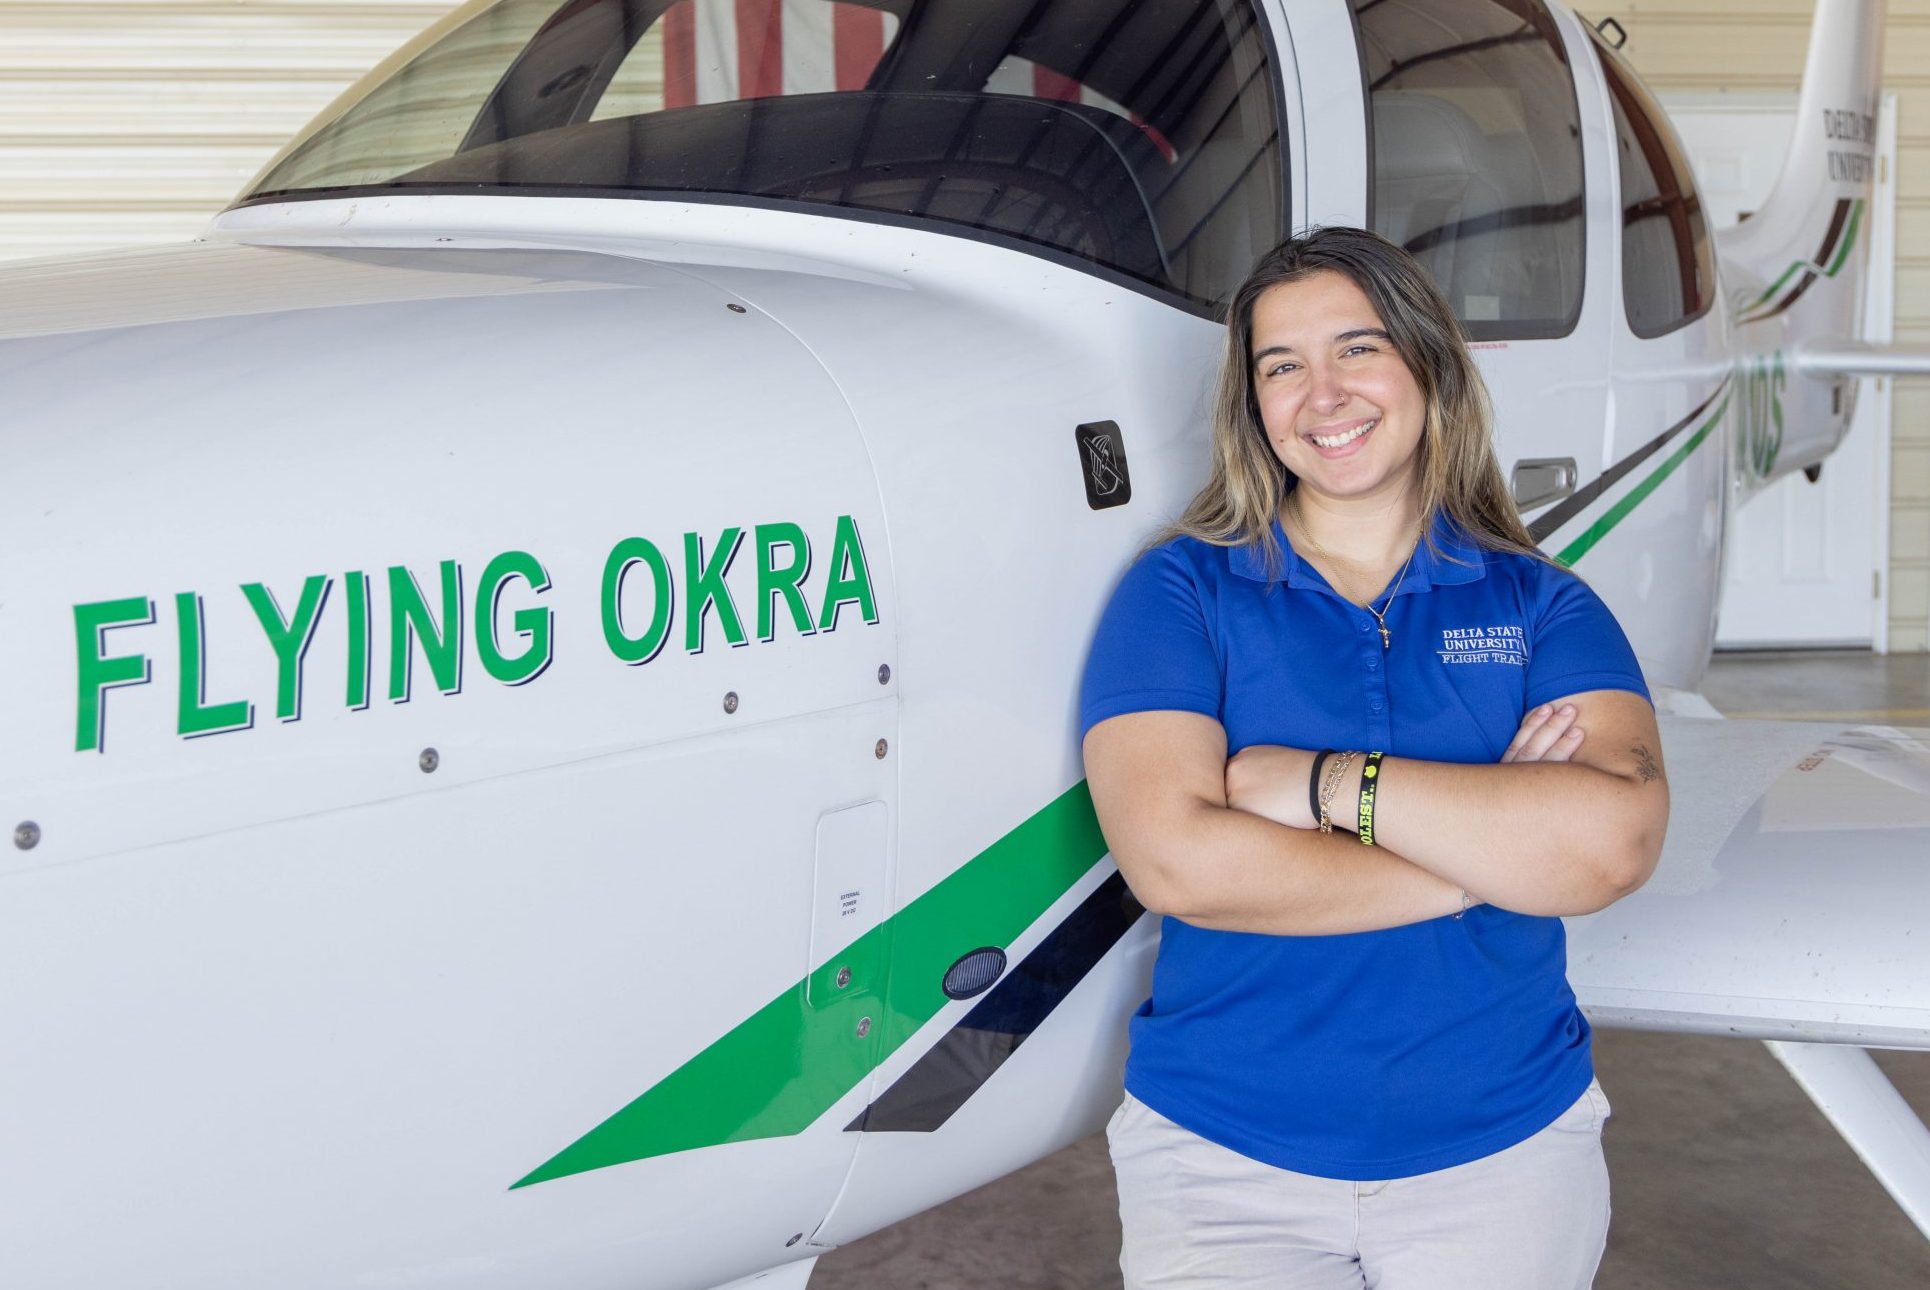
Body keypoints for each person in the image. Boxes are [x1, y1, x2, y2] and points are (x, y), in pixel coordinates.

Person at [1079, 226, 1671, 1290]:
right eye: (1281, 366)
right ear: (1250, 404)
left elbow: (1614, 842)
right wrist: (1497, 849)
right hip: (1221, 1160)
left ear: (1425, 367)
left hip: (1504, 1148)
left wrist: (1311, 786)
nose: (1322, 394)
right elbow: (1175, 866)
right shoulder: (1178, 594)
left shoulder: (1541, 606)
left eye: (1356, 349)